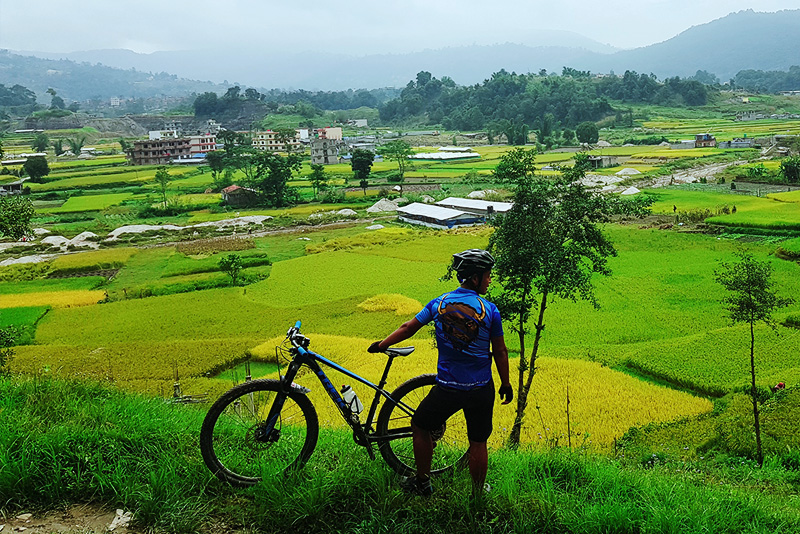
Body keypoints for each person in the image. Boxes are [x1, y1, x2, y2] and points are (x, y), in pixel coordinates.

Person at [368, 249, 512, 496]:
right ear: (475, 278)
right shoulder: (491, 310)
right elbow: (500, 351)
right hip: (481, 388)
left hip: (448, 388)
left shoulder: (439, 303)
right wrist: (506, 383)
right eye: (487, 275)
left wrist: (382, 345)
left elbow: (408, 327)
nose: (490, 280)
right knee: (478, 441)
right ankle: (477, 494)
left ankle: (422, 483)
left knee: (421, 425)